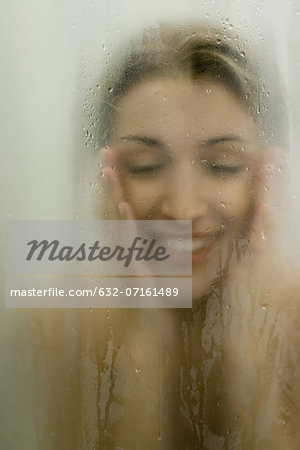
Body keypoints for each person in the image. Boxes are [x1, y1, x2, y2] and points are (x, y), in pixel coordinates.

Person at [33, 23, 300, 449]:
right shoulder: (53, 324)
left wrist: (245, 350)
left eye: (223, 164)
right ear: (106, 178)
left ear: (263, 177)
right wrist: (142, 342)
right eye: (145, 165)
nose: (183, 209)